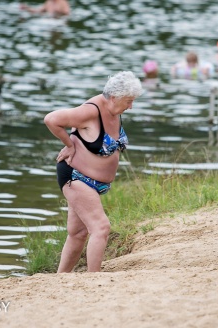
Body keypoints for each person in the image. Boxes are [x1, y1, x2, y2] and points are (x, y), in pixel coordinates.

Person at [43, 71, 142, 273]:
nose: (131, 106)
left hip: (95, 182)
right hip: (76, 176)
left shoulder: (115, 109)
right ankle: (94, 279)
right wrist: (69, 145)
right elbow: (51, 119)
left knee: (78, 233)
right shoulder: (90, 111)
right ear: (114, 97)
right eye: (129, 101)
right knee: (101, 227)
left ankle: (59, 279)